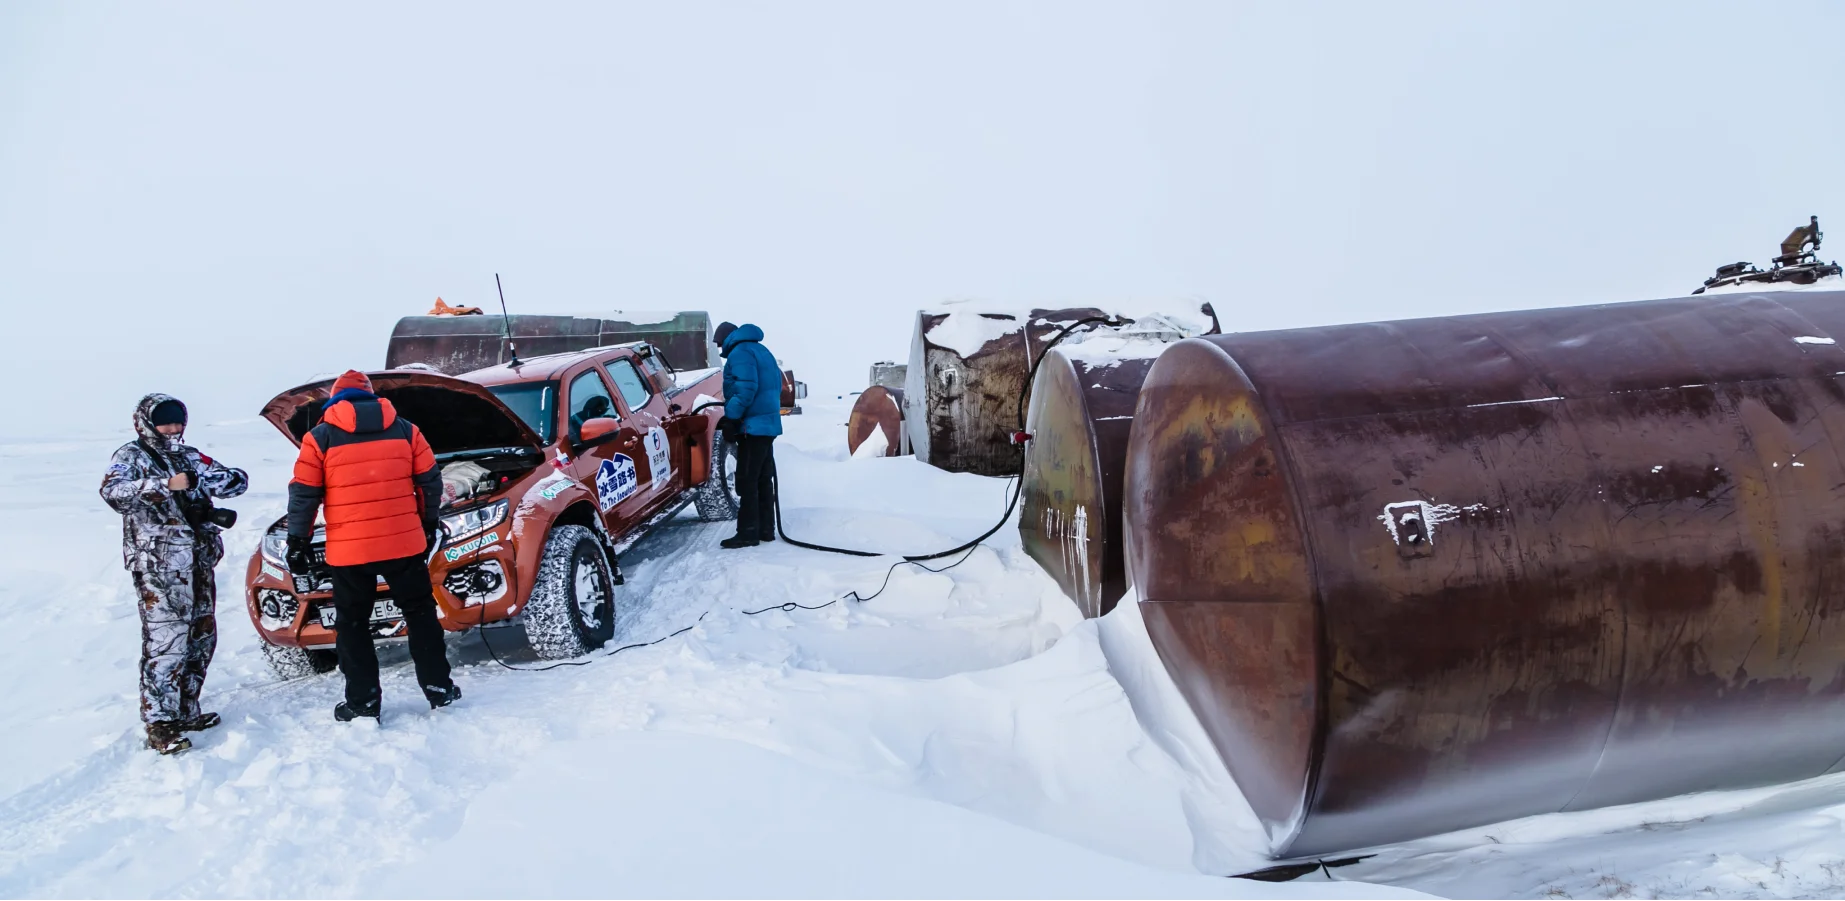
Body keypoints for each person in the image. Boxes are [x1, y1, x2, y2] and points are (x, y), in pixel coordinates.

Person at [285, 370, 461, 722]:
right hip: (404, 543)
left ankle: (363, 702)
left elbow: (305, 492)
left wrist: (298, 539)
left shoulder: (319, 437)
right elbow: (430, 481)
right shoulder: (407, 430)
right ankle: (439, 689)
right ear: (372, 397)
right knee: (420, 614)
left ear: (336, 399)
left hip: (350, 552)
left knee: (352, 624)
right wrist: (426, 523)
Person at [100, 394, 249, 755]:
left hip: (198, 561)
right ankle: (160, 722)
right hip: (159, 566)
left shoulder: (188, 454)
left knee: (201, 636)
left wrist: (211, 480)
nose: (173, 429)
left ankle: (186, 709)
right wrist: (164, 486)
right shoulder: (130, 457)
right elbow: (113, 492)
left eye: (178, 421)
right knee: (166, 643)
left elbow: (236, 482)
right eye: (166, 422)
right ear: (147, 423)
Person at [713, 321, 784, 549]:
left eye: (719, 343)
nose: (719, 349)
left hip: (752, 427)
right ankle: (766, 529)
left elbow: (746, 389)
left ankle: (748, 533)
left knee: (747, 479)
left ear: (727, 339)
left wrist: (732, 417)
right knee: (763, 478)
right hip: (766, 424)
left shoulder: (740, 353)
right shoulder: (762, 351)